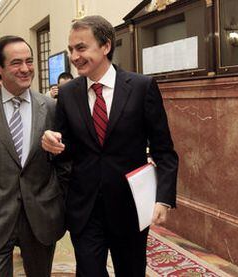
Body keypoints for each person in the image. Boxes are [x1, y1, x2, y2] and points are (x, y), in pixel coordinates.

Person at [41, 15, 178, 276]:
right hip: (85, 208)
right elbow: (66, 148)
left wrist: (164, 199)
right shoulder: (68, 93)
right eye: (71, 49)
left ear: (105, 46)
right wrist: (52, 145)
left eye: (81, 48)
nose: (74, 56)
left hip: (130, 207)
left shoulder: (141, 87)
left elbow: (164, 151)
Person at [0, 35, 66, 277]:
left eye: (29, 61)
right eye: (16, 63)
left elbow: (64, 163)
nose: (25, 69)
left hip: (40, 215)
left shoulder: (50, 107)